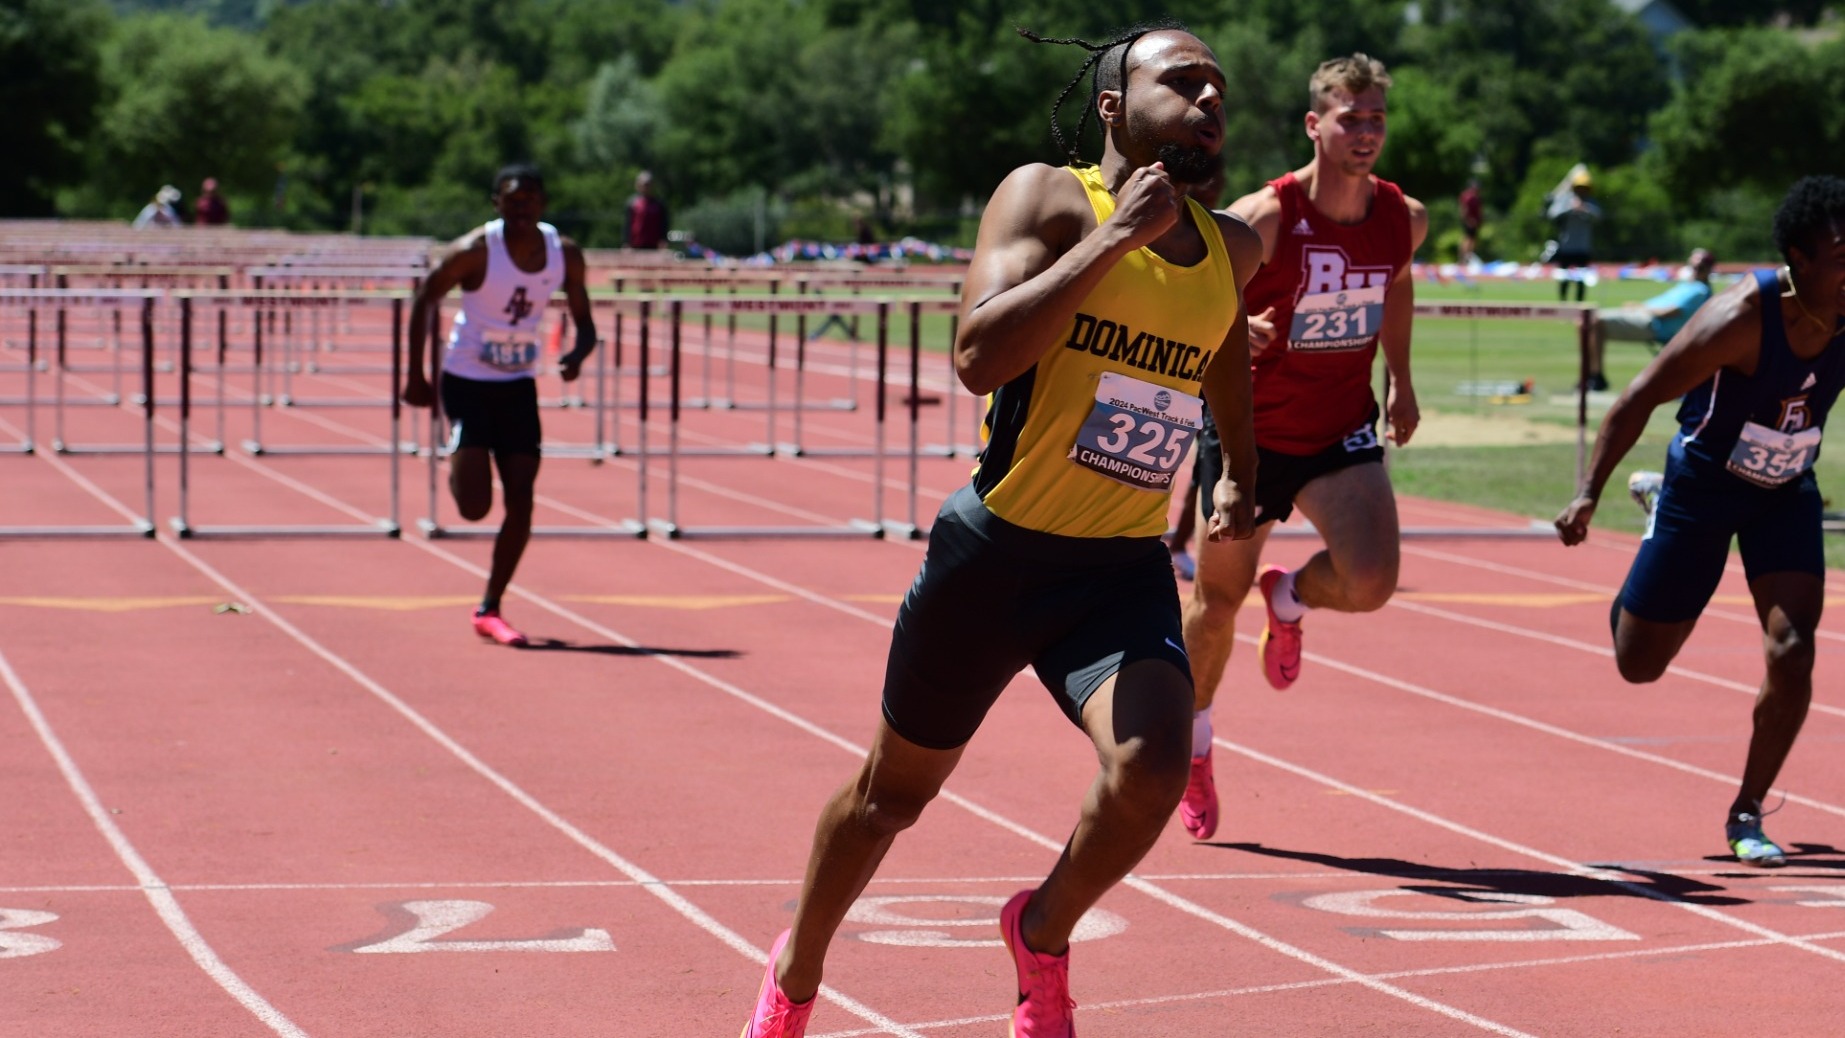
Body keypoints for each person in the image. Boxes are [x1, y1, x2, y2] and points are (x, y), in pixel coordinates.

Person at [739, 22, 1261, 1038]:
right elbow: (977, 355)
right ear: (1114, 107)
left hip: (1115, 570)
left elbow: (1223, 347)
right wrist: (1118, 239)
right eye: (1184, 82)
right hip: (997, 556)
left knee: (1152, 768)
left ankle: (1043, 931)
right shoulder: (1050, 197)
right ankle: (797, 969)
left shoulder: (1232, 248)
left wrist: (1241, 465)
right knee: (891, 800)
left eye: (1220, 89)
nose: (1209, 101)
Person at [1556, 175, 1845, 868]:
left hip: (1783, 490)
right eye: (1841, 258)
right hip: (1703, 487)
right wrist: (1587, 493)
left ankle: (1746, 808)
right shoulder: (1738, 319)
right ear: (1797, 260)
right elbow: (1636, 398)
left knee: (1793, 648)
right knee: (1638, 665)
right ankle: (1654, 523)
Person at [1178, 53, 1428, 842]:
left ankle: (1288, 599)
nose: (1365, 132)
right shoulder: (1267, 216)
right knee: (1213, 605)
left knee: (1371, 581)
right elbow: (1192, 291)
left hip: (1335, 427)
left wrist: (1401, 379)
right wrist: (1228, 325)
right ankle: (1194, 746)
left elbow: (1394, 284)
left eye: (1376, 118)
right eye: (1349, 117)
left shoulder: (1403, 218)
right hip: (1248, 432)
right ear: (1314, 125)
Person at [401, 164, 597, 646]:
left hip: (517, 385)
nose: (522, 207)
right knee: (473, 507)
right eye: (512, 200)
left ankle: (490, 604)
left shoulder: (564, 254)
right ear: (496, 204)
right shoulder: (475, 251)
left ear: (543, 203)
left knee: (522, 499)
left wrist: (577, 354)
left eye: (530, 199)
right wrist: (415, 374)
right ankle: (459, 452)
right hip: (467, 379)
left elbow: (585, 321)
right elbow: (426, 297)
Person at [1161, 166, 1230, 582]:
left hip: (1205, 367)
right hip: (1166, 363)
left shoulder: (1223, 236)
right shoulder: (1165, 229)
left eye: (1219, 185)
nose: (1216, 192)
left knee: (1201, 464)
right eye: (1211, 185)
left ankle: (1178, 540)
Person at [1581, 248, 1717, 392]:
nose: (1695, 270)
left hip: (1654, 325)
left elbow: (1668, 312)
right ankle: (1589, 376)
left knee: (1594, 321)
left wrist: (1639, 308)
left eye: (1700, 267)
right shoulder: (1686, 285)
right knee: (1585, 320)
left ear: (1708, 270)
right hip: (1645, 316)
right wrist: (1638, 307)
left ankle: (1596, 377)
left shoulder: (1700, 290)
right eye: (1693, 266)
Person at [1548, 169, 1601, 302]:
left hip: (1583, 247)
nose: (1581, 191)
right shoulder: (1566, 201)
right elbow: (1552, 214)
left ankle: (1580, 308)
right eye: (1579, 188)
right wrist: (1570, 209)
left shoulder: (1591, 203)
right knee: (1564, 278)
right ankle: (1563, 304)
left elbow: (1599, 216)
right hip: (1567, 247)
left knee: (1581, 279)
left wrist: (1585, 209)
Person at [625, 170, 669, 249]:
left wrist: (664, 240)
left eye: (648, 184)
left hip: (654, 245)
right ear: (638, 185)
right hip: (635, 245)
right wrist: (626, 242)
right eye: (644, 184)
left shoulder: (659, 204)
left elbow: (664, 224)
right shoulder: (632, 203)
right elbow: (627, 224)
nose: (646, 187)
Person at [1458, 178, 1483, 265]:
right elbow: (1465, 209)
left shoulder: (1475, 196)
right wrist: (1468, 220)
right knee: (1468, 239)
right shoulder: (1469, 196)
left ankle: (1467, 259)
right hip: (1470, 221)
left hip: (1473, 221)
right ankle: (1463, 260)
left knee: (1472, 239)